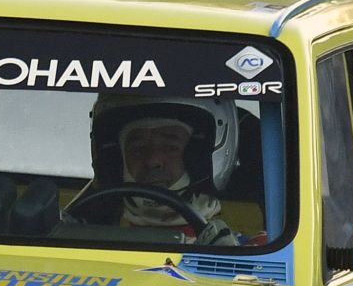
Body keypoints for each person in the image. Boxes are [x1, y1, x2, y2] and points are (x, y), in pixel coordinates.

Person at [84, 95, 243, 246]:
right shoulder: (79, 246)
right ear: (117, 159)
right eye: (138, 149)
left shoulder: (254, 255)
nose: (153, 161)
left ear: (201, 159)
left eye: (170, 147)